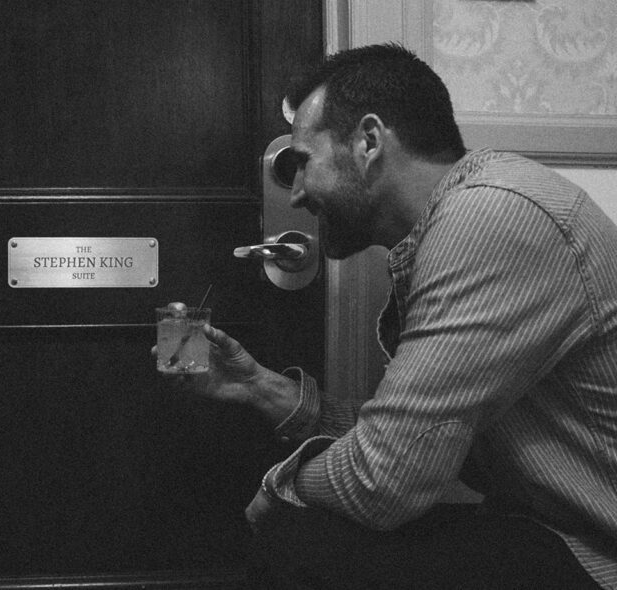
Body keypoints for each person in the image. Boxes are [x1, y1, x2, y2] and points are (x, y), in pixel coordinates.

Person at [167, 43, 617, 589]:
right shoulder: (457, 220)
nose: (300, 192)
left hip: (597, 550)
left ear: (369, 141)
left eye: (302, 162)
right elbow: (409, 440)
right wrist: (262, 389)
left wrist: (280, 485)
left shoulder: (488, 218)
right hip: (546, 525)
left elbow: (383, 481)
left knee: (301, 544)